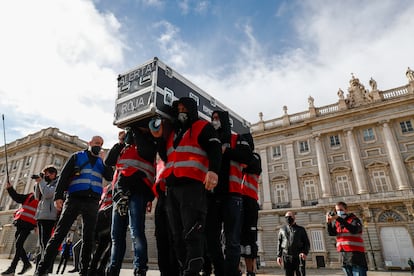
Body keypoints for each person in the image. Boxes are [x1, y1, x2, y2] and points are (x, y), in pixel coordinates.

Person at [150, 97, 222, 276]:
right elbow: (166, 157)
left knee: (192, 232)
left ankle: (193, 271)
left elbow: (215, 149)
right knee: (177, 236)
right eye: (179, 109)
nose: (181, 111)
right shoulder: (174, 134)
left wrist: (213, 171)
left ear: (191, 110)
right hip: (172, 189)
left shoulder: (202, 127)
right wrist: (159, 140)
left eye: (184, 108)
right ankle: (185, 270)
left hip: (193, 187)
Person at [34, 135, 114, 276]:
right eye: (96, 143)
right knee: (59, 234)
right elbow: (64, 176)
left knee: (88, 238)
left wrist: (104, 160)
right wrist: (58, 197)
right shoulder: (76, 156)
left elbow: (109, 177)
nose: (98, 145)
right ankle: (41, 269)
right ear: (90, 143)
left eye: (101, 144)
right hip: (74, 199)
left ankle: (84, 271)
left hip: (93, 202)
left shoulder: (102, 162)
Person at [205, 110, 252, 276]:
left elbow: (248, 158)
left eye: (217, 118)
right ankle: (220, 270)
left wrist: (226, 151)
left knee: (232, 240)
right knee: (211, 238)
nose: (215, 121)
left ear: (224, 120)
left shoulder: (237, 138)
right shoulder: (210, 138)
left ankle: (231, 272)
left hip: (232, 194)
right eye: (213, 118)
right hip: (213, 195)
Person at [105, 127, 157, 276]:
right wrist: (121, 142)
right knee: (116, 234)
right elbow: (109, 161)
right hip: (120, 193)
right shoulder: (124, 148)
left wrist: (136, 131)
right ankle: (113, 269)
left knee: (136, 230)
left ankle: (140, 268)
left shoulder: (149, 141)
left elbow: (146, 152)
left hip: (138, 190)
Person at [1, 181, 39, 276]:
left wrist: (37, 226)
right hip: (20, 222)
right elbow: (17, 197)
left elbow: (41, 214)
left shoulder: (42, 200)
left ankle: (12, 268)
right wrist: (10, 188)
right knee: (18, 245)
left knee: (18, 244)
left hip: (29, 225)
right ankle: (26, 263)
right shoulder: (29, 196)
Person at [153, 159, 180, 276]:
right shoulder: (160, 161)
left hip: (175, 197)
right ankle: (164, 272)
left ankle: (175, 271)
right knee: (161, 237)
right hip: (162, 200)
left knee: (175, 237)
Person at [327, 201, 368, 276]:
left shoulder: (354, 219)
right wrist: (329, 223)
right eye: (337, 210)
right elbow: (332, 233)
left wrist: (338, 219)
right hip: (343, 254)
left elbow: (354, 230)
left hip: (355, 255)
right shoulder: (337, 222)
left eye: (341, 210)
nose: (338, 212)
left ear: (346, 210)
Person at [240, 149, 262, 276]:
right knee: (233, 238)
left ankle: (250, 272)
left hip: (250, 200)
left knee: (250, 240)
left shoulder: (254, 156)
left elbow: (252, 166)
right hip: (235, 199)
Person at [34, 165, 59, 272]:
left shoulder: (57, 183)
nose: (46, 176)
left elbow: (48, 194)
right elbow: (37, 197)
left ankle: (44, 269)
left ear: (53, 174)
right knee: (42, 244)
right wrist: (38, 183)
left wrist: (41, 182)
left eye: (47, 174)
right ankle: (42, 269)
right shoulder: (45, 183)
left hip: (50, 217)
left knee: (46, 243)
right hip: (41, 215)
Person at [89, 184, 113, 276]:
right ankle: (101, 268)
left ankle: (93, 268)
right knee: (111, 246)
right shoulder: (114, 187)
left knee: (101, 246)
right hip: (109, 219)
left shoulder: (106, 188)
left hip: (101, 218)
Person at [276, 211, 310, 276]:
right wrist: (278, 256)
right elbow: (279, 243)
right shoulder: (282, 229)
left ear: (294, 217)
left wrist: (304, 252)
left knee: (300, 274)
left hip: (298, 256)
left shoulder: (301, 229)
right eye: (286, 217)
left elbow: (306, 243)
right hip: (287, 257)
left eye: (289, 217)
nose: (287, 219)